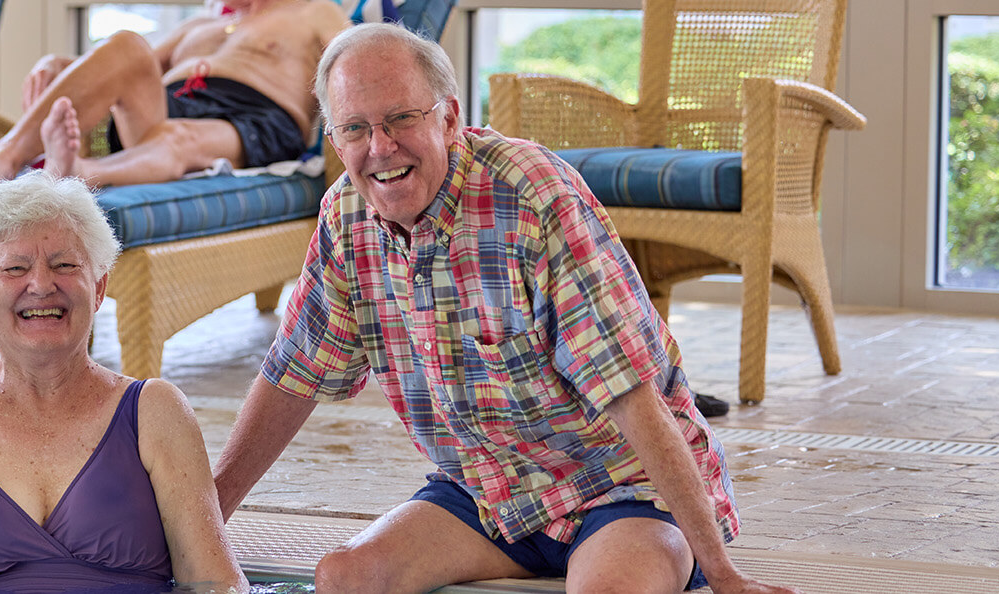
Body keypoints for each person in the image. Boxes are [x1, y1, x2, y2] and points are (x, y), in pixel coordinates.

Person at [208, 24, 800, 594]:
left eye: (401, 119)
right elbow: (294, 376)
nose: (380, 147)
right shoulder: (345, 217)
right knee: (346, 578)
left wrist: (723, 575)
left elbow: (632, 392)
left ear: (448, 117)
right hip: (487, 496)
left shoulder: (533, 195)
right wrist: (202, 532)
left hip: (620, 490)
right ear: (335, 142)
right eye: (356, 128)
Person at [0, 172, 246, 594]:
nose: (41, 285)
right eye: (15, 267)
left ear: (100, 285)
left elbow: (217, 584)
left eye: (65, 265)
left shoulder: (156, 412)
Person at [0, 0, 348, 187]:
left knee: (177, 138)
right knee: (127, 44)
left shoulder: (314, 10)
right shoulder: (204, 22)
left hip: (253, 117)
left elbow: (351, 63)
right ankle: (8, 155)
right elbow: (125, 66)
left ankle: (82, 173)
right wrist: (59, 63)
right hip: (167, 107)